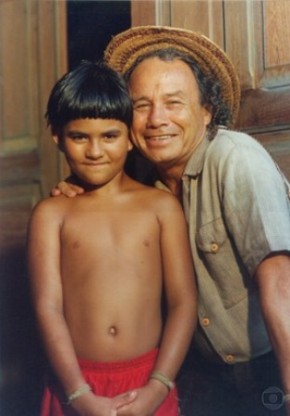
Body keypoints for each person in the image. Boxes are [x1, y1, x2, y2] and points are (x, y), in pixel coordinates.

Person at [53, 26, 290, 416]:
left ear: (206, 110)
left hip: (268, 370)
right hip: (199, 376)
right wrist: (74, 191)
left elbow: (280, 282)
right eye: (141, 105)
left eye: (174, 103)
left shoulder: (237, 159)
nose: (156, 119)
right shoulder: (141, 181)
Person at [27, 59, 197, 416]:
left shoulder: (161, 208)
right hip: (75, 382)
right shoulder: (52, 214)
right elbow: (48, 307)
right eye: (79, 137)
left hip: (151, 379)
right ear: (58, 136)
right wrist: (78, 394)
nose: (94, 151)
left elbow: (183, 303)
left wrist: (158, 387)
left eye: (109, 136)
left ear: (130, 137)